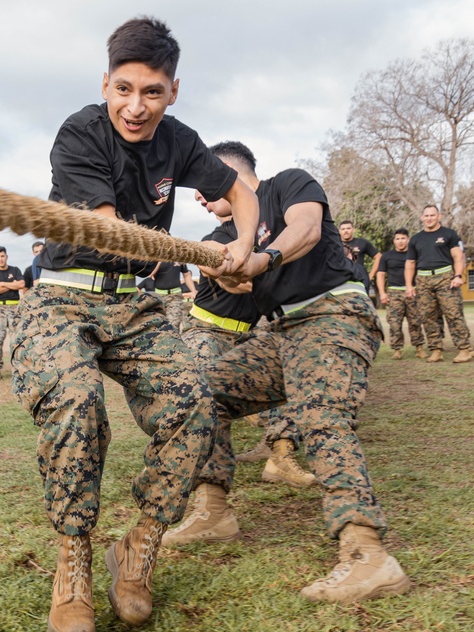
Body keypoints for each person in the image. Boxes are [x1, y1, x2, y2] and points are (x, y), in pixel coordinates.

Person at [11, 18, 258, 632]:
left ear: (173, 91)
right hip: (64, 296)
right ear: (106, 84)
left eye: (151, 92)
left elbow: (242, 191)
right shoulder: (80, 133)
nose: (135, 106)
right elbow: (109, 228)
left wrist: (245, 249)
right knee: (76, 405)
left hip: (135, 306)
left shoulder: (180, 141)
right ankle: (74, 561)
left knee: (195, 407)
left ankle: (139, 544)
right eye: (124, 89)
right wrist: (196, 251)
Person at [165, 141, 410, 604]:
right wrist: (227, 271)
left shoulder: (288, 185)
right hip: (284, 333)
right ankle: (213, 512)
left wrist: (261, 258)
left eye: (202, 184)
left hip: (335, 314)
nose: (197, 196)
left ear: (225, 174)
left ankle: (369, 555)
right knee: (202, 391)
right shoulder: (227, 235)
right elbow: (228, 272)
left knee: (320, 414)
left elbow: (308, 229)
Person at [172, 200, 313, 491]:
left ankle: (280, 457)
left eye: (206, 196)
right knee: (200, 395)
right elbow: (235, 283)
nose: (204, 203)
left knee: (290, 372)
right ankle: (204, 485)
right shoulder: (219, 238)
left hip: (248, 331)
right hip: (206, 329)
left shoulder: (273, 234)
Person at [405, 205, 472, 363]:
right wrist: (409, 285)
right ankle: (436, 350)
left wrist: (458, 276)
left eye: (432, 215)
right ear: (422, 217)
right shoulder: (415, 239)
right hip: (423, 279)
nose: (429, 218)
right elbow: (410, 263)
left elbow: (458, 257)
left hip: (445, 277)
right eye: (426, 215)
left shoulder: (449, 234)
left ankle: (464, 349)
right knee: (427, 316)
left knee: (453, 314)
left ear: (439, 216)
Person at [376, 229, 426, 360]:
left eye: (403, 238)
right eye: (397, 239)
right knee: (394, 323)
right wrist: (382, 293)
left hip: (412, 291)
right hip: (394, 292)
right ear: (394, 241)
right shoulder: (386, 256)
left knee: (415, 321)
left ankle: (419, 348)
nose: (400, 241)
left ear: (408, 239)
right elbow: (380, 274)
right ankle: (397, 349)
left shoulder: (414, 255)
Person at [0, 246, 25, 380]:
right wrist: (11, 284)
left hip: (14, 308)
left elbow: (21, 285)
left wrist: (2, 283)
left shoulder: (15, 270)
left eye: (2, 256)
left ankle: (18, 367)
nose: (0, 259)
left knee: (17, 339)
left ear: (6, 256)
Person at [143, 260, 196, 330]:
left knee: (174, 323)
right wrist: (159, 261)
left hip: (175, 296)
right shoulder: (155, 258)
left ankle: (174, 336)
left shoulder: (178, 258)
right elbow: (150, 275)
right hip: (159, 296)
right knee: (159, 323)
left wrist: (193, 291)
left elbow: (186, 275)